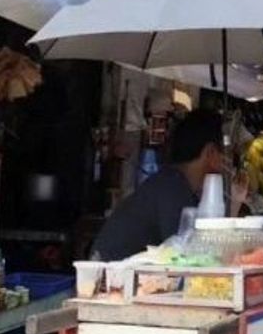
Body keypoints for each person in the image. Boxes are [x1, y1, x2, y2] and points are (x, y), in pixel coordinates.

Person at [92, 110, 243, 261]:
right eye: (224, 153)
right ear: (210, 152)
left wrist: (235, 203)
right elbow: (192, 255)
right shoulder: (173, 189)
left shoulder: (176, 184)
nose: (227, 162)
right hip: (112, 278)